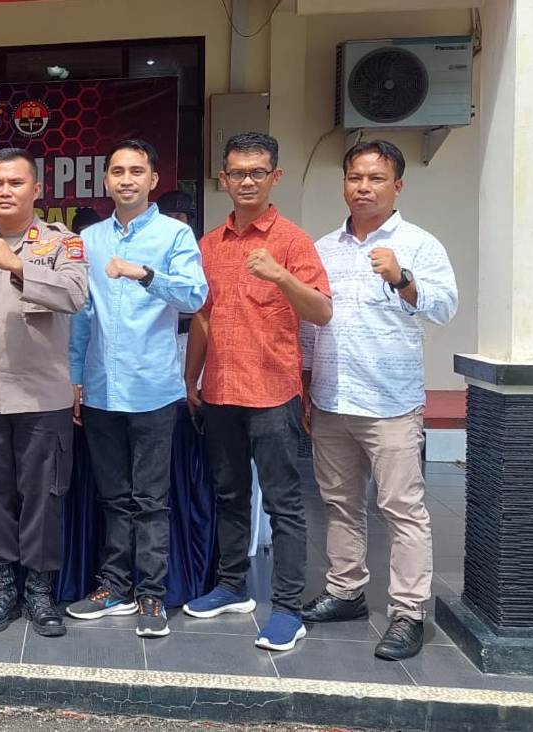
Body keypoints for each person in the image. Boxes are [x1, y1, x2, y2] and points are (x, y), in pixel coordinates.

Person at [300, 140, 458, 661]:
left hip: (391, 403)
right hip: (331, 397)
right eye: (355, 177)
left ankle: (409, 612)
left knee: (402, 509)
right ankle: (345, 590)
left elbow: (444, 308)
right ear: (344, 183)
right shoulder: (324, 248)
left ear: (398, 186)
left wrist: (403, 279)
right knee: (339, 503)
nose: (363, 187)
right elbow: (310, 322)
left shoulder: (419, 244)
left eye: (376, 178)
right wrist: (305, 382)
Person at [182, 132, 332, 652]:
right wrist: (190, 377)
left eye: (257, 172)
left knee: (284, 505)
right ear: (223, 179)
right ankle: (231, 586)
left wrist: (281, 276)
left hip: (272, 393)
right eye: (238, 173)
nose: (247, 181)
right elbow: (203, 318)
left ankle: (288, 608)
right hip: (221, 390)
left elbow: (321, 311)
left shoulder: (293, 241)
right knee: (229, 495)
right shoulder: (209, 245)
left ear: (275, 177)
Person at [0, 147, 88, 637]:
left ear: (37, 189)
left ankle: (40, 592)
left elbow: (75, 296)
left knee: (43, 497)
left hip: (43, 398)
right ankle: (2, 588)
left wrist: (20, 267)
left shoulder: (61, 244)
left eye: (16, 183)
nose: (5, 191)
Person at [66, 139, 207, 637]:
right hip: (101, 389)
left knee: (150, 499)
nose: (126, 179)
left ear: (153, 180)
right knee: (113, 496)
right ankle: (113, 588)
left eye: (136, 171)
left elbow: (195, 295)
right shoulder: (89, 239)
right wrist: (75, 376)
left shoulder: (175, 234)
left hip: (153, 389)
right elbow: (82, 315)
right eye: (118, 171)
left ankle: (151, 594)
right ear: (106, 180)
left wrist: (143, 273)